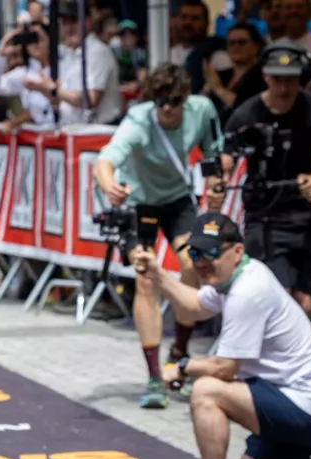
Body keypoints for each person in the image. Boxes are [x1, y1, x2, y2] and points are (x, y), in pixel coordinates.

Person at [129, 213, 311, 459]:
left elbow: (225, 368)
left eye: (211, 253)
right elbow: (195, 306)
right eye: (195, 253)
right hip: (296, 403)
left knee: (206, 391)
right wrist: (158, 275)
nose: (202, 262)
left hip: (307, 409)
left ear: (237, 251)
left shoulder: (248, 291)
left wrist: (183, 367)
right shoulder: (236, 276)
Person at [94, 62, 224, 409]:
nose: (167, 108)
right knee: (145, 278)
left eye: (174, 101)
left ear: (185, 99)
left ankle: (179, 354)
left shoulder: (202, 110)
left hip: (178, 199)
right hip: (139, 202)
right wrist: (110, 187)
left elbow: (214, 154)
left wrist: (215, 184)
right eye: (161, 100)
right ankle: (154, 376)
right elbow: (105, 160)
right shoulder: (139, 120)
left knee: (193, 265)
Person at [217, 44, 311, 317]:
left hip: (310, 218)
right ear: (265, 76)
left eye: (291, 79)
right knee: (278, 297)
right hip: (266, 217)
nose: (285, 87)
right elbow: (226, 161)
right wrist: (219, 182)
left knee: (305, 302)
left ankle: (297, 356)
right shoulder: (245, 114)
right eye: (278, 79)